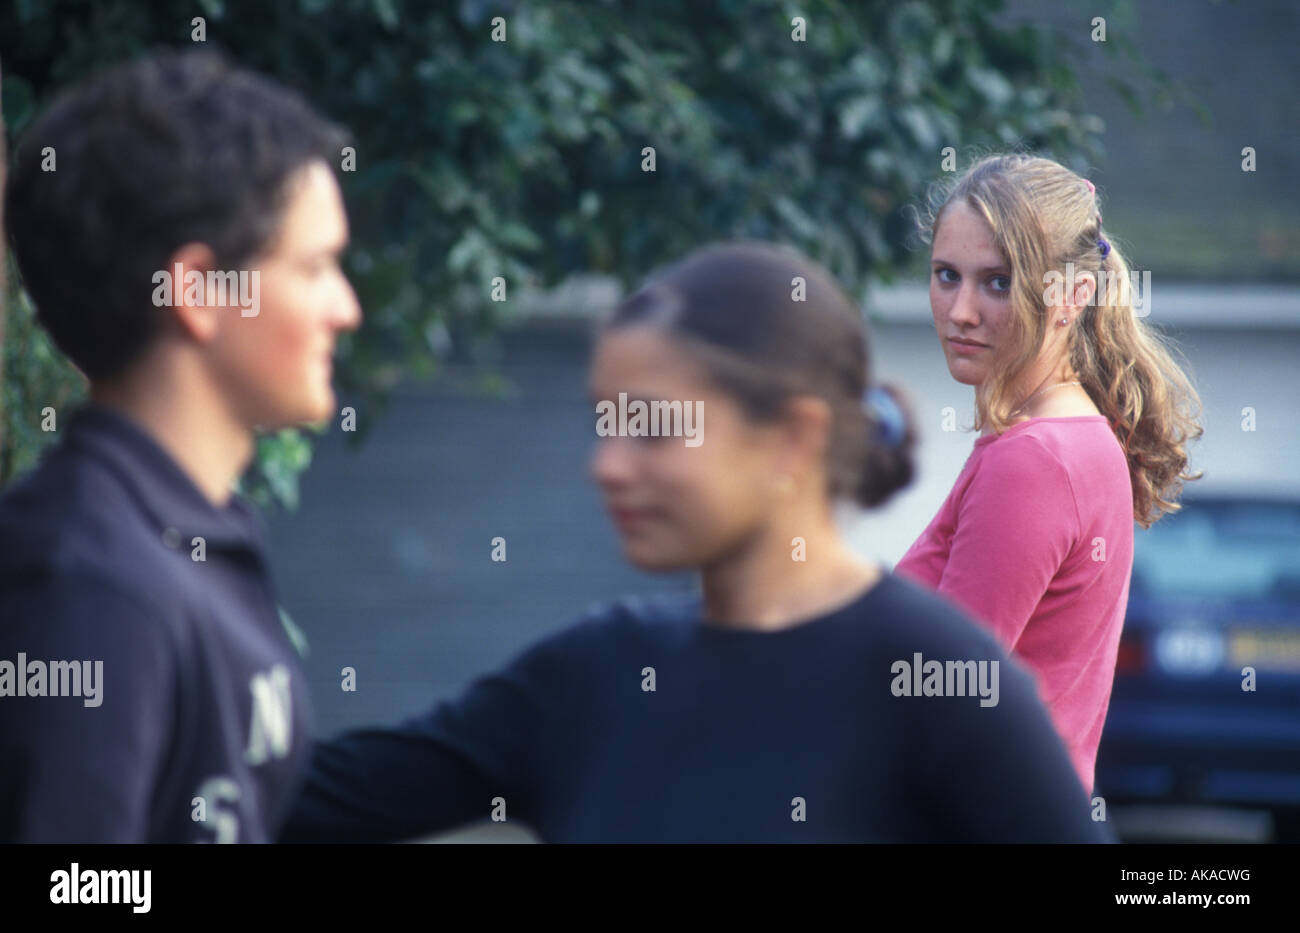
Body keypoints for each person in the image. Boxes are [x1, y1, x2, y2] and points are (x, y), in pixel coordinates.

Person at [281, 242, 1109, 843]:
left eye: (652, 428)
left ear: (792, 438)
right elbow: (289, 799)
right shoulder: (593, 671)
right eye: (605, 424)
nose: (606, 467)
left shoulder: (939, 680)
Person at [0, 50, 361, 841]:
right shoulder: (91, 582)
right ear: (197, 292)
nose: (347, 308)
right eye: (317, 267)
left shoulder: (183, 531)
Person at [895, 153, 1203, 794]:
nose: (960, 310)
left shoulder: (1033, 460)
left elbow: (940, 687)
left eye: (998, 283)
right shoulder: (1076, 439)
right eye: (946, 275)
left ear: (1074, 295)